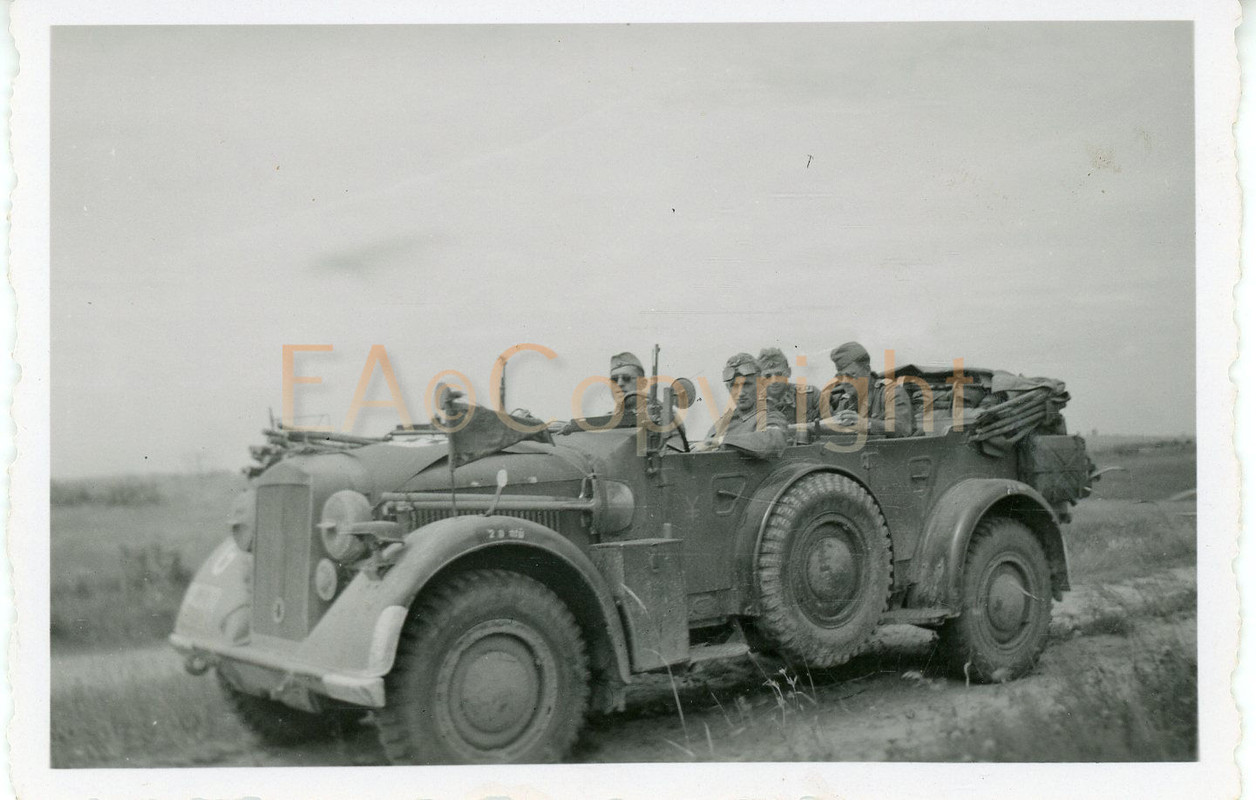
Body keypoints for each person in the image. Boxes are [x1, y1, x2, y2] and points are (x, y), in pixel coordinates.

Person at [698, 353, 787, 457]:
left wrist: (721, 441)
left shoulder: (770, 416)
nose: (740, 392)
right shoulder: (722, 423)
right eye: (734, 386)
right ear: (728, 388)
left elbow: (773, 442)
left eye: (747, 385)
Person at [826, 341, 914, 437]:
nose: (844, 381)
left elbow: (902, 428)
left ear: (867, 370)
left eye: (850, 375)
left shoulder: (891, 392)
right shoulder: (846, 402)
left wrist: (865, 424)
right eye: (840, 376)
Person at [758, 347, 821, 425]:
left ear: (789, 372)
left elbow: (832, 428)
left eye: (779, 374)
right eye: (768, 376)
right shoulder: (754, 404)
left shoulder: (811, 396)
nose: (774, 381)